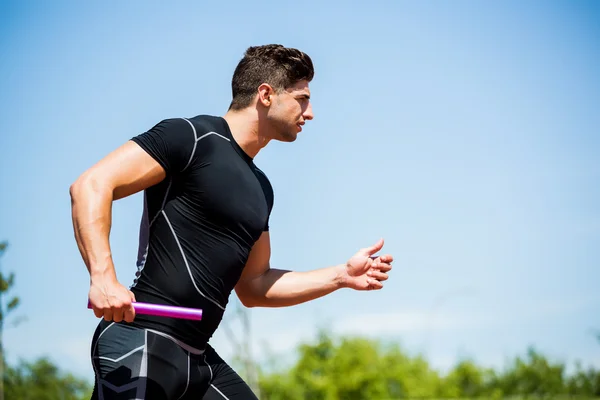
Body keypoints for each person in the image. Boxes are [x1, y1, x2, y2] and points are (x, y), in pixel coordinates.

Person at [70, 44, 394, 400]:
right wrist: (103, 278)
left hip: (198, 359)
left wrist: (340, 276)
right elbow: (92, 184)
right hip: (142, 338)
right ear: (266, 95)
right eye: (302, 98)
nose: (310, 112)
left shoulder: (261, 188)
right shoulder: (190, 138)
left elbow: (255, 285)